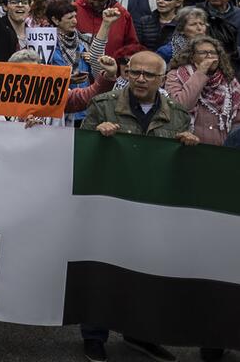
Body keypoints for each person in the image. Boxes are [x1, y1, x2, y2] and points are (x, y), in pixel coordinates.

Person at [78, 49, 198, 362]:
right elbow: (80, 151)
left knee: (147, 275)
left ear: (162, 79)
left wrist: (188, 146)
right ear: (127, 73)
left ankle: (142, 335)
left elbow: (181, 169)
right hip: (110, 205)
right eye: (134, 72)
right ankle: (94, 336)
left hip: (152, 210)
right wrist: (96, 134)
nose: (140, 79)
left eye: (148, 75)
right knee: (102, 271)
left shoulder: (177, 114)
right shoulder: (103, 106)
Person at [163, 36, 240, 146]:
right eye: (203, 52)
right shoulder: (176, 75)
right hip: (188, 146)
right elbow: (181, 106)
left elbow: (237, 121)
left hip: (221, 149)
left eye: (213, 53)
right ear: (192, 56)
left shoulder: (229, 81)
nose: (209, 56)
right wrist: (201, 73)